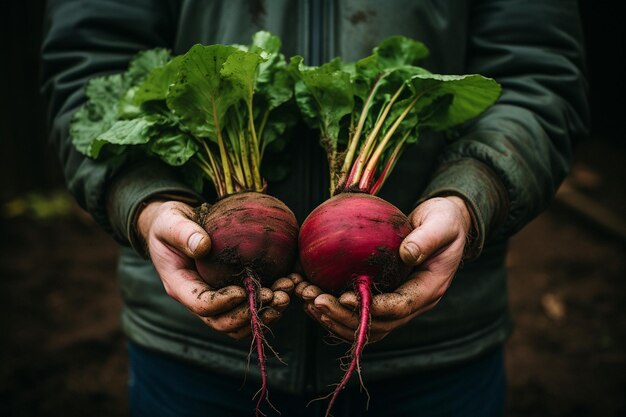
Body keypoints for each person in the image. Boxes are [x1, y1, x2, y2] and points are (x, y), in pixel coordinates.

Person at [41, 1, 589, 416]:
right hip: (191, 354)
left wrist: (473, 195)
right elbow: (90, 67)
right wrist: (148, 203)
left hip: (436, 355)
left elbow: (539, 75)